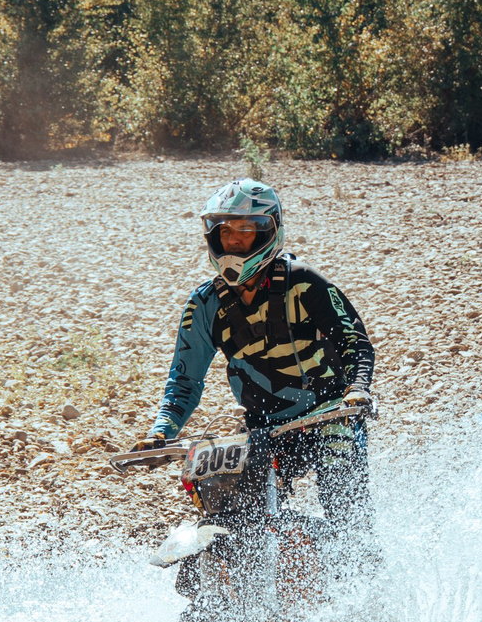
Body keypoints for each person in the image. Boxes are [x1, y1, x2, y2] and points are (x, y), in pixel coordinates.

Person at [137, 178, 378, 537]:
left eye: (245, 230)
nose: (233, 240)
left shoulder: (305, 282)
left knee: (346, 504)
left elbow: (355, 342)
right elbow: (185, 381)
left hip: (331, 413)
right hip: (263, 426)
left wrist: (357, 389)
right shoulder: (204, 304)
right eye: (225, 231)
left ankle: (363, 565)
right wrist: (161, 431)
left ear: (268, 231)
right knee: (227, 503)